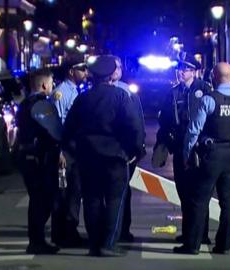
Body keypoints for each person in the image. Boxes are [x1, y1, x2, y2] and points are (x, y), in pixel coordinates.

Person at [63, 55, 145, 257]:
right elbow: (135, 127)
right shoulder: (121, 96)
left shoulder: (83, 98)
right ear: (111, 75)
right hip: (115, 157)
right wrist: (134, 152)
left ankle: (94, 243)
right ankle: (108, 243)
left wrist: (76, 151)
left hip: (88, 157)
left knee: (92, 200)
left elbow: (69, 129)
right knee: (115, 201)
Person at [174, 62, 230, 255]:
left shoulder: (209, 100)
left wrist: (187, 155)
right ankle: (224, 244)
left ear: (214, 77)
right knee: (227, 202)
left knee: (199, 200)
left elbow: (194, 130)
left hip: (211, 155)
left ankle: (192, 244)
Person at [153, 56, 212, 245]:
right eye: (179, 69)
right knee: (184, 192)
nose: (181, 72)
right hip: (179, 146)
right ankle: (188, 233)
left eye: (185, 70)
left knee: (199, 193)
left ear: (193, 72)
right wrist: (161, 144)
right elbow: (165, 120)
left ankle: (201, 234)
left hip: (199, 148)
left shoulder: (204, 88)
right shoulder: (173, 92)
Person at [15, 69, 63, 255]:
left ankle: (37, 239)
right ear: (44, 84)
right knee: (43, 200)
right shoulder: (42, 104)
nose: (52, 86)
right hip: (40, 160)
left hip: (29, 158)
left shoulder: (25, 103)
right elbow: (56, 132)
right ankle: (37, 240)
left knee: (38, 199)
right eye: (51, 82)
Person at [50, 56, 88, 247]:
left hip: (75, 149)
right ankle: (61, 233)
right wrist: (60, 152)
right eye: (82, 70)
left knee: (74, 192)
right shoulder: (61, 93)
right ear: (72, 71)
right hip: (66, 150)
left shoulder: (75, 91)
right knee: (64, 193)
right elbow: (55, 125)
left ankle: (69, 230)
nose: (86, 73)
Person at [112, 56, 146, 242]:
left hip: (124, 151)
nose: (115, 71)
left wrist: (137, 149)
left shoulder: (127, 92)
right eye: (113, 67)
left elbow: (137, 122)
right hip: (109, 150)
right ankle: (111, 231)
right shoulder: (99, 91)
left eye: (118, 67)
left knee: (124, 192)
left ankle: (123, 230)